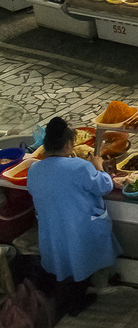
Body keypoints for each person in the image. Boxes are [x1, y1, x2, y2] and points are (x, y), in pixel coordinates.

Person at [27, 116, 121, 315]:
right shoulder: (79, 166)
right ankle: (75, 303)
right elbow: (104, 185)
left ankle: (70, 297)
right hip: (79, 226)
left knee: (64, 263)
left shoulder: (34, 169)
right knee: (81, 262)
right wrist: (98, 166)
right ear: (69, 144)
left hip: (52, 227)